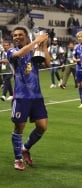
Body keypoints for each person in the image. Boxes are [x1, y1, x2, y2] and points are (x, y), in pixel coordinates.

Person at [7, 26, 50, 170]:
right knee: (19, 127)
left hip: (37, 96)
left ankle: (25, 148)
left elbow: (48, 64)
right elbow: (19, 54)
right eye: (14, 35)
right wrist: (36, 41)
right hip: (21, 96)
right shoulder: (11, 51)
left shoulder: (34, 51)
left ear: (26, 36)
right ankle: (18, 159)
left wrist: (43, 46)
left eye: (20, 34)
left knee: (42, 127)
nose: (16, 37)